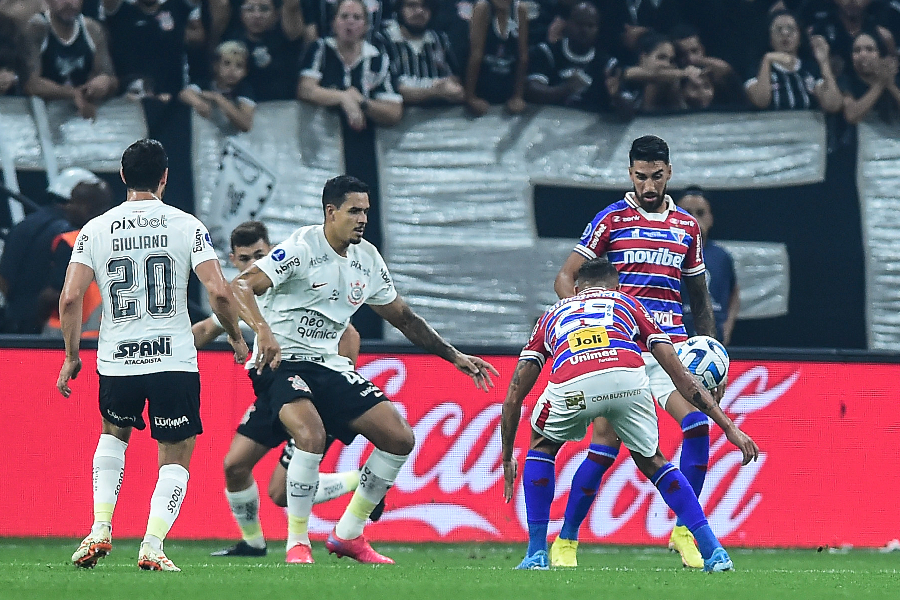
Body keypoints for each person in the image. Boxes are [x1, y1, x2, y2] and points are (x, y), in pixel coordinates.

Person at [229, 175, 499, 564]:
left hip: (328, 365)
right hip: (281, 360)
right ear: (331, 212)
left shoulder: (367, 259)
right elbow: (240, 287)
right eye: (354, 211)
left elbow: (403, 318)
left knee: (400, 438)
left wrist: (454, 356)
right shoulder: (302, 247)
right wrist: (262, 331)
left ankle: (348, 534)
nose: (362, 219)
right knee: (309, 435)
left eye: (366, 212)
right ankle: (297, 544)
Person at [57, 139, 249, 572]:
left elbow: (70, 299)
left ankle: (100, 528)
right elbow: (218, 291)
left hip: (117, 359)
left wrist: (71, 356)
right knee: (176, 452)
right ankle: (152, 543)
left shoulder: (96, 229)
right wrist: (236, 338)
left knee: (112, 438)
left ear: (123, 177)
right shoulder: (186, 225)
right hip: (173, 360)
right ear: (165, 177)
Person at [500, 257, 759, 571]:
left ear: (577, 288)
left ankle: (537, 554)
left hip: (574, 382)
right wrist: (729, 427)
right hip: (628, 378)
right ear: (617, 286)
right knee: (654, 461)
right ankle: (714, 553)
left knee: (542, 445)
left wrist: (506, 456)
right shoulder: (628, 304)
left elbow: (514, 395)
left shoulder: (553, 313)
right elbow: (680, 376)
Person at [550, 135, 720, 569]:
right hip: (621, 349)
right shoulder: (610, 219)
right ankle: (566, 539)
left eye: (657, 176)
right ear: (630, 173)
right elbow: (565, 278)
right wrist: (582, 327)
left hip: (671, 350)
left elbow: (699, 300)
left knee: (698, 425)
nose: (648, 185)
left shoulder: (686, 227)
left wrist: (712, 352)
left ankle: (684, 531)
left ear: (669, 173)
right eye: (641, 176)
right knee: (604, 447)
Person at [189, 220, 369, 557]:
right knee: (234, 467)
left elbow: (349, 333)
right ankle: (254, 543)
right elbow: (204, 330)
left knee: (281, 492)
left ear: (272, 252)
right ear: (233, 260)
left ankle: (363, 483)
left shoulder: (292, 286)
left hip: (308, 396)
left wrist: (338, 388)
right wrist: (169, 352)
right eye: (244, 259)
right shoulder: (245, 297)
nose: (252, 263)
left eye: (259, 255)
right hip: (273, 393)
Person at [0, 168, 105, 334]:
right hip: (48, 327)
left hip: (13, 322)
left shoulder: (24, 225)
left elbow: (4, 279)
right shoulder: (71, 235)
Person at [297, 0, 403, 132]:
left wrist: (362, 102)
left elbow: (394, 111)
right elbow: (305, 89)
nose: (350, 22)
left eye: (357, 17)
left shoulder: (378, 59)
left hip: (364, 139)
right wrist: (344, 97)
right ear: (334, 23)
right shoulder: (320, 49)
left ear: (366, 26)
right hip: (321, 138)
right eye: (344, 16)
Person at [22, 0, 119, 119]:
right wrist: (72, 93)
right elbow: (31, 83)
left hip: (83, 115)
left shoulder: (92, 29)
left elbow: (111, 77)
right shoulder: (36, 28)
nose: (68, 2)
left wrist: (105, 82)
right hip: (44, 116)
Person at [525, 1, 626, 113]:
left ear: (598, 29)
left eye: (590, 26)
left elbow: (628, 112)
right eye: (579, 24)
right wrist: (566, 89)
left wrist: (617, 96)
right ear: (567, 24)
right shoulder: (547, 52)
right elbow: (531, 91)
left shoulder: (608, 65)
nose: (584, 30)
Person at [744, 10, 842, 112]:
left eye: (790, 29)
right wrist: (767, 60)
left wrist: (824, 62)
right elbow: (761, 101)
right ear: (769, 37)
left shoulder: (810, 69)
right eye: (778, 29)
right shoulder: (757, 67)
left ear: (800, 37)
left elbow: (833, 105)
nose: (785, 33)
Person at [676, 188, 739, 345]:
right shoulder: (666, 255)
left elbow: (734, 292)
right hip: (676, 339)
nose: (694, 218)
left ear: (710, 218)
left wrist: (728, 327)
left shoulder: (722, 257)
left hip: (714, 339)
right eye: (687, 212)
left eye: (700, 212)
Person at [375, 0, 465, 107]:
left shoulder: (439, 40)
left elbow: (457, 87)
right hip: (401, 119)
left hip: (443, 116)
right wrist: (436, 90)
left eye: (425, 6)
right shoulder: (383, 40)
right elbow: (393, 90)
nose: (419, 11)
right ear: (399, 8)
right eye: (411, 5)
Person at [220, 0, 306, 102]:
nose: (257, 15)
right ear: (241, 14)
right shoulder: (231, 41)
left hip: (283, 108)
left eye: (264, 9)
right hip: (242, 108)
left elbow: (292, 6)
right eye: (249, 9)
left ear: (276, 14)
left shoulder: (287, 39)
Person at [463, 0, 529, 116]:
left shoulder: (520, 10)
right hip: (483, 86)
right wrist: (470, 97)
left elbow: (523, 56)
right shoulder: (482, 8)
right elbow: (475, 55)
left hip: (507, 85)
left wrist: (518, 96)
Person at [179, 40, 256, 132]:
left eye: (239, 66)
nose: (232, 70)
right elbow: (184, 94)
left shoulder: (244, 89)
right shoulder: (207, 82)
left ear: (245, 72)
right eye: (227, 63)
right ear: (216, 66)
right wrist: (199, 104)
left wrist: (218, 98)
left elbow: (245, 124)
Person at [839, 26, 900, 124]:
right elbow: (851, 115)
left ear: (880, 55)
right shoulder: (846, 80)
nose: (863, 55)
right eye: (857, 50)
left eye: (870, 49)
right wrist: (880, 84)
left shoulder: (896, 78)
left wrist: (890, 85)